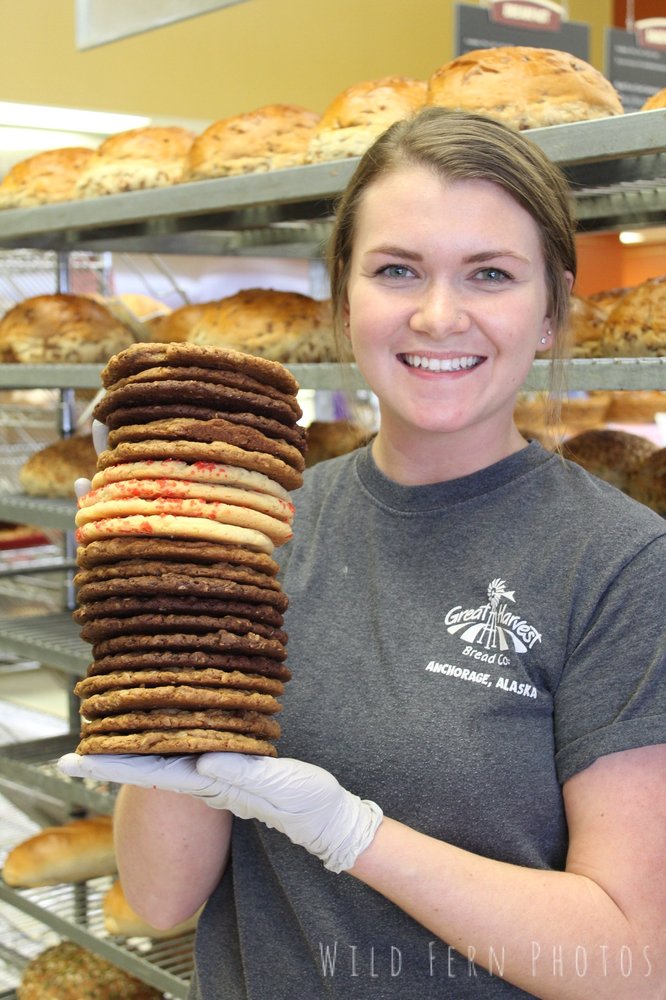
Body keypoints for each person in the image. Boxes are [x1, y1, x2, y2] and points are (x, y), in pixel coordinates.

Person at [60, 108, 666, 999]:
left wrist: (353, 833)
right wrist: (151, 642)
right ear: (345, 304)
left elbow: (629, 964)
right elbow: (160, 898)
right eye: (396, 271)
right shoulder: (263, 528)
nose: (437, 313)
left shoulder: (620, 563)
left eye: (490, 274)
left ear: (549, 314)